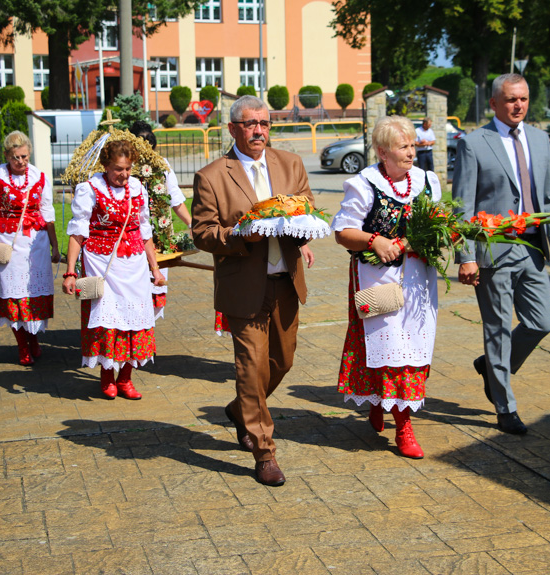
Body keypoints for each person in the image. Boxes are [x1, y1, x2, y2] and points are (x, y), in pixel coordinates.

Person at [191, 95, 315, 486]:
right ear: (232, 129)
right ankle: (263, 451)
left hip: (285, 283)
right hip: (243, 286)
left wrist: (305, 231)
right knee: (251, 368)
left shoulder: (290, 164)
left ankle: (241, 409)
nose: (258, 130)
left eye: (263, 123)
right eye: (249, 124)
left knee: (282, 363)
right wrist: (238, 234)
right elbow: (202, 233)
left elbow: (308, 206)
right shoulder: (212, 175)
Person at [452, 73, 550, 435]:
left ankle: (491, 367)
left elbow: (549, 197)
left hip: (533, 248)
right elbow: (462, 206)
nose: (518, 105)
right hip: (493, 250)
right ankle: (505, 406)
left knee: (540, 322)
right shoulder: (474, 143)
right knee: (498, 329)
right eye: (510, 100)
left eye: (523, 99)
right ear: (493, 104)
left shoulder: (539, 138)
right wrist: (466, 255)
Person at [332, 116, 441, 459]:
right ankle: (404, 428)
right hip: (377, 280)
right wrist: (375, 240)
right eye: (403, 147)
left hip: (419, 281)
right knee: (390, 349)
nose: (411, 152)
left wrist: (439, 237)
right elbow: (342, 231)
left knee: (415, 347)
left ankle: (383, 403)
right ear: (382, 152)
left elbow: (441, 222)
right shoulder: (365, 184)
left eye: (413, 145)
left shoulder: (427, 181)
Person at [62, 139, 166, 400]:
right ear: (105, 165)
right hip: (101, 262)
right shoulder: (90, 189)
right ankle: (107, 376)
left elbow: (145, 232)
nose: (125, 174)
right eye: (119, 169)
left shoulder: (137, 188)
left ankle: (126, 379)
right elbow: (78, 232)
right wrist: (70, 271)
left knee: (137, 322)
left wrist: (155, 268)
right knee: (107, 322)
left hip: (134, 266)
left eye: (129, 168)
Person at [0, 130, 60, 366]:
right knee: (13, 293)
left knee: (32, 293)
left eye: (24, 156)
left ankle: (32, 338)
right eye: (16, 157)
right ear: (6, 155)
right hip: (6, 242)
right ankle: (22, 344)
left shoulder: (39, 177)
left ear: (29, 153)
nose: (21, 162)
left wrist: (55, 245)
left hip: (36, 243)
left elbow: (47, 213)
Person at [129, 120, 193, 319]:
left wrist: (192, 223)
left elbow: (175, 199)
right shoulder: (125, 168)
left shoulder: (162, 166)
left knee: (155, 285)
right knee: (133, 291)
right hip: (131, 238)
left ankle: (147, 339)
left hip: (159, 238)